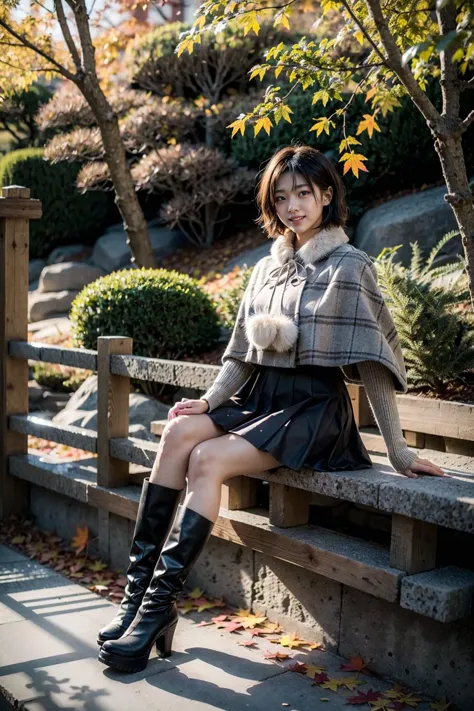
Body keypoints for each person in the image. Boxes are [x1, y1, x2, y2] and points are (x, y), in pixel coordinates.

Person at [97, 144, 446, 673]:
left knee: (206, 460)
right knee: (177, 436)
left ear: (327, 196)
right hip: (258, 398)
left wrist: (397, 450)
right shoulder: (266, 270)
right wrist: (209, 402)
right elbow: (241, 355)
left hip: (312, 410)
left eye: (303, 193)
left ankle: (155, 612)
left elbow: (374, 362)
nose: (292, 206)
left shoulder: (350, 267)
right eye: (281, 197)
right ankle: (138, 601)